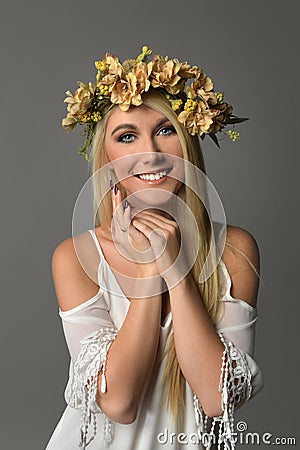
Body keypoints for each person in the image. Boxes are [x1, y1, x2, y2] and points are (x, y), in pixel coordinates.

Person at [46, 47, 263, 450]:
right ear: (107, 157)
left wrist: (174, 267)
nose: (151, 152)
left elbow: (218, 399)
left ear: (188, 143)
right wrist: (149, 270)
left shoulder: (234, 249)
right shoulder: (76, 257)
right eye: (127, 136)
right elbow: (119, 402)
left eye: (165, 130)